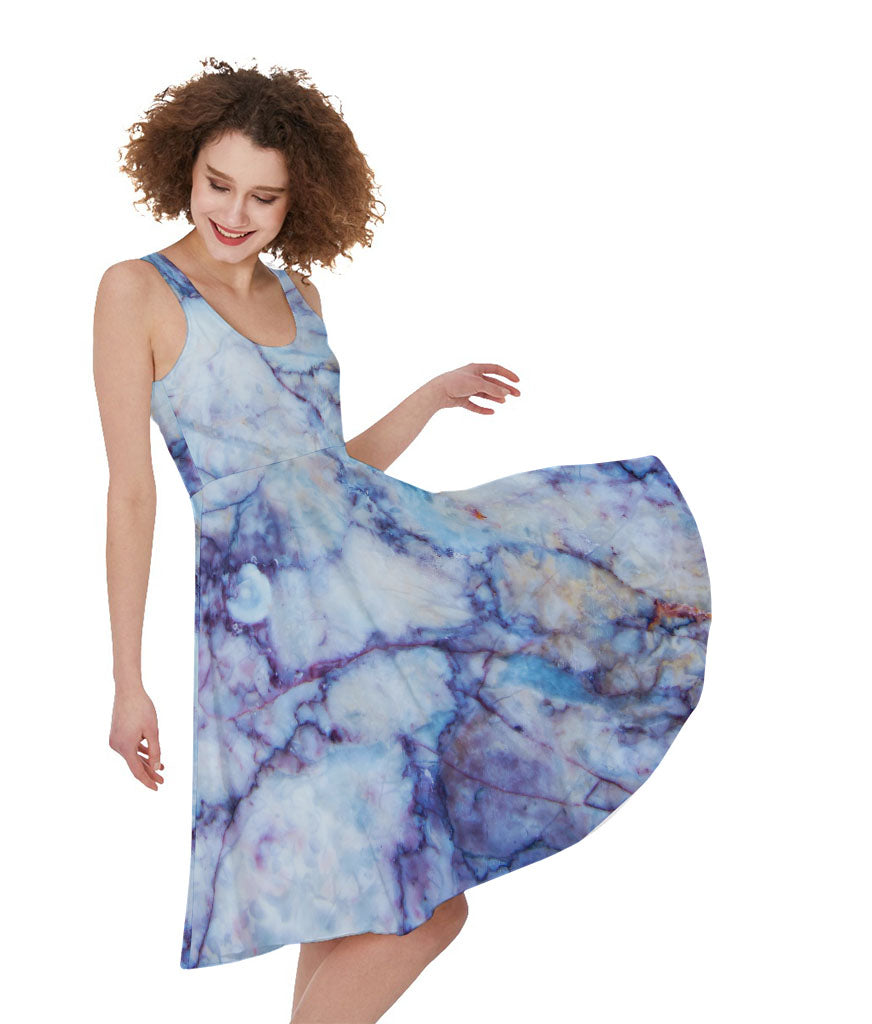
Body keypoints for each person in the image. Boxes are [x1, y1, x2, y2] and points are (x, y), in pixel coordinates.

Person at [94, 59, 710, 1024]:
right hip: (273, 643)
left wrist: (428, 397)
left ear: (298, 199)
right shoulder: (137, 292)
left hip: (370, 611)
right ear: (185, 165)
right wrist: (129, 679)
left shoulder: (302, 298)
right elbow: (133, 495)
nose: (234, 213)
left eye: (264, 197)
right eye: (218, 184)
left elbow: (325, 477)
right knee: (420, 906)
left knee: (361, 902)